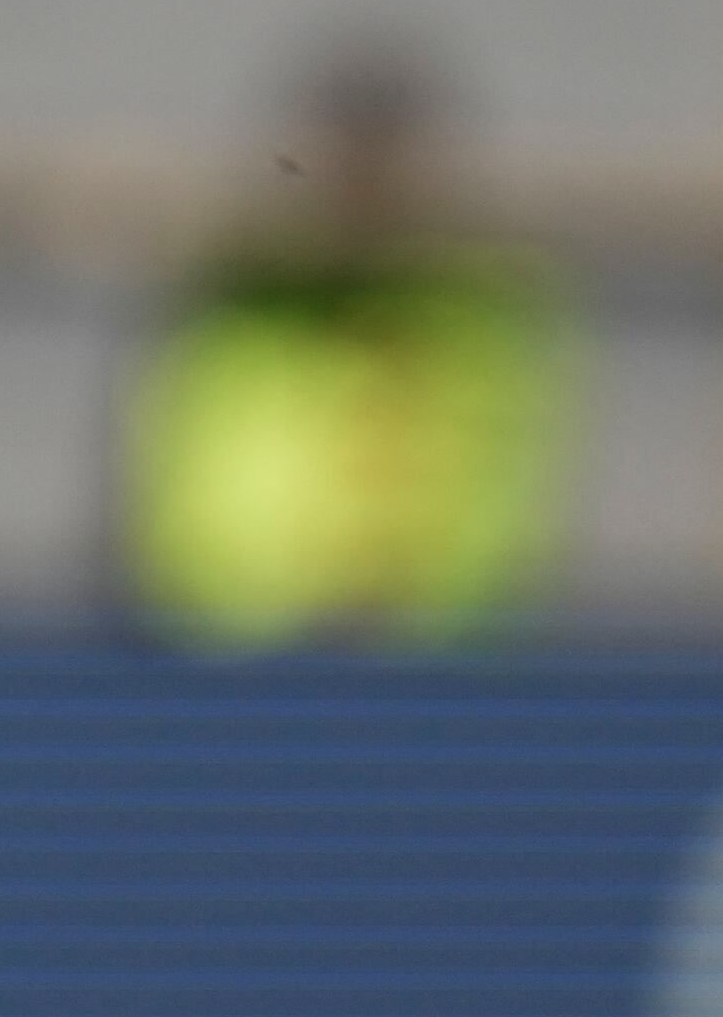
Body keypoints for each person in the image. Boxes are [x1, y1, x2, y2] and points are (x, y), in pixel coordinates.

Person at [125, 38, 570, 653]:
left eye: (383, 161)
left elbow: (504, 516)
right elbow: (187, 508)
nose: (362, 184)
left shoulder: (489, 311)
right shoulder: (238, 295)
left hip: (441, 677)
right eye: (342, 160)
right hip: (234, 665)